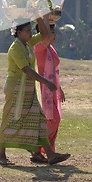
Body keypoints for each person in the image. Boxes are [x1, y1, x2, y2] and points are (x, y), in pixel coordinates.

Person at [0, 16, 71, 166]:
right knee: (9, 118)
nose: (30, 33)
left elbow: (46, 35)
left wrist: (39, 17)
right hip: (16, 87)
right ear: (18, 32)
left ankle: (49, 154)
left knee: (39, 119)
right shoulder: (16, 47)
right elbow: (26, 70)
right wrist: (46, 82)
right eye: (27, 31)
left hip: (28, 88)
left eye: (31, 30)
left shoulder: (28, 43)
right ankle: (1, 155)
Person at [33, 22, 65, 160]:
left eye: (54, 32)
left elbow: (54, 71)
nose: (53, 35)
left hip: (52, 88)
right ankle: (38, 148)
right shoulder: (39, 48)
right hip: (43, 88)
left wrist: (60, 88)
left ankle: (40, 152)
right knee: (52, 119)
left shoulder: (51, 49)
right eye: (50, 32)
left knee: (54, 119)